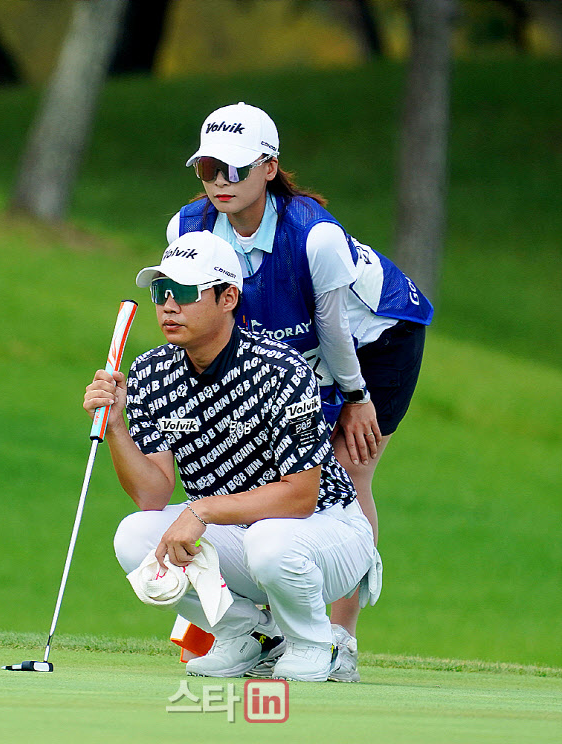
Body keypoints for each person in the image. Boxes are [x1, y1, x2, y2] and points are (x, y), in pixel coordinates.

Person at [167, 102, 433, 681]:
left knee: (346, 468)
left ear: (269, 168)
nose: (220, 181)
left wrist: (356, 400)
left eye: (234, 170)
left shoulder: (315, 236)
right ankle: (267, 627)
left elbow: (333, 332)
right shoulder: (187, 227)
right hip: (293, 342)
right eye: (209, 167)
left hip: (375, 340)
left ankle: (341, 639)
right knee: (264, 467)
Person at [83, 231, 377, 682]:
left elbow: (300, 497)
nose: (168, 305)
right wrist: (118, 426)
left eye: (184, 292)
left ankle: (319, 643)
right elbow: (151, 494)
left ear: (228, 298)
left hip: (327, 530)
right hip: (237, 533)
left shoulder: (282, 370)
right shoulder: (149, 372)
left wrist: (201, 510)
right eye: (161, 292)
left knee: (270, 543)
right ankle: (247, 635)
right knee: (134, 536)